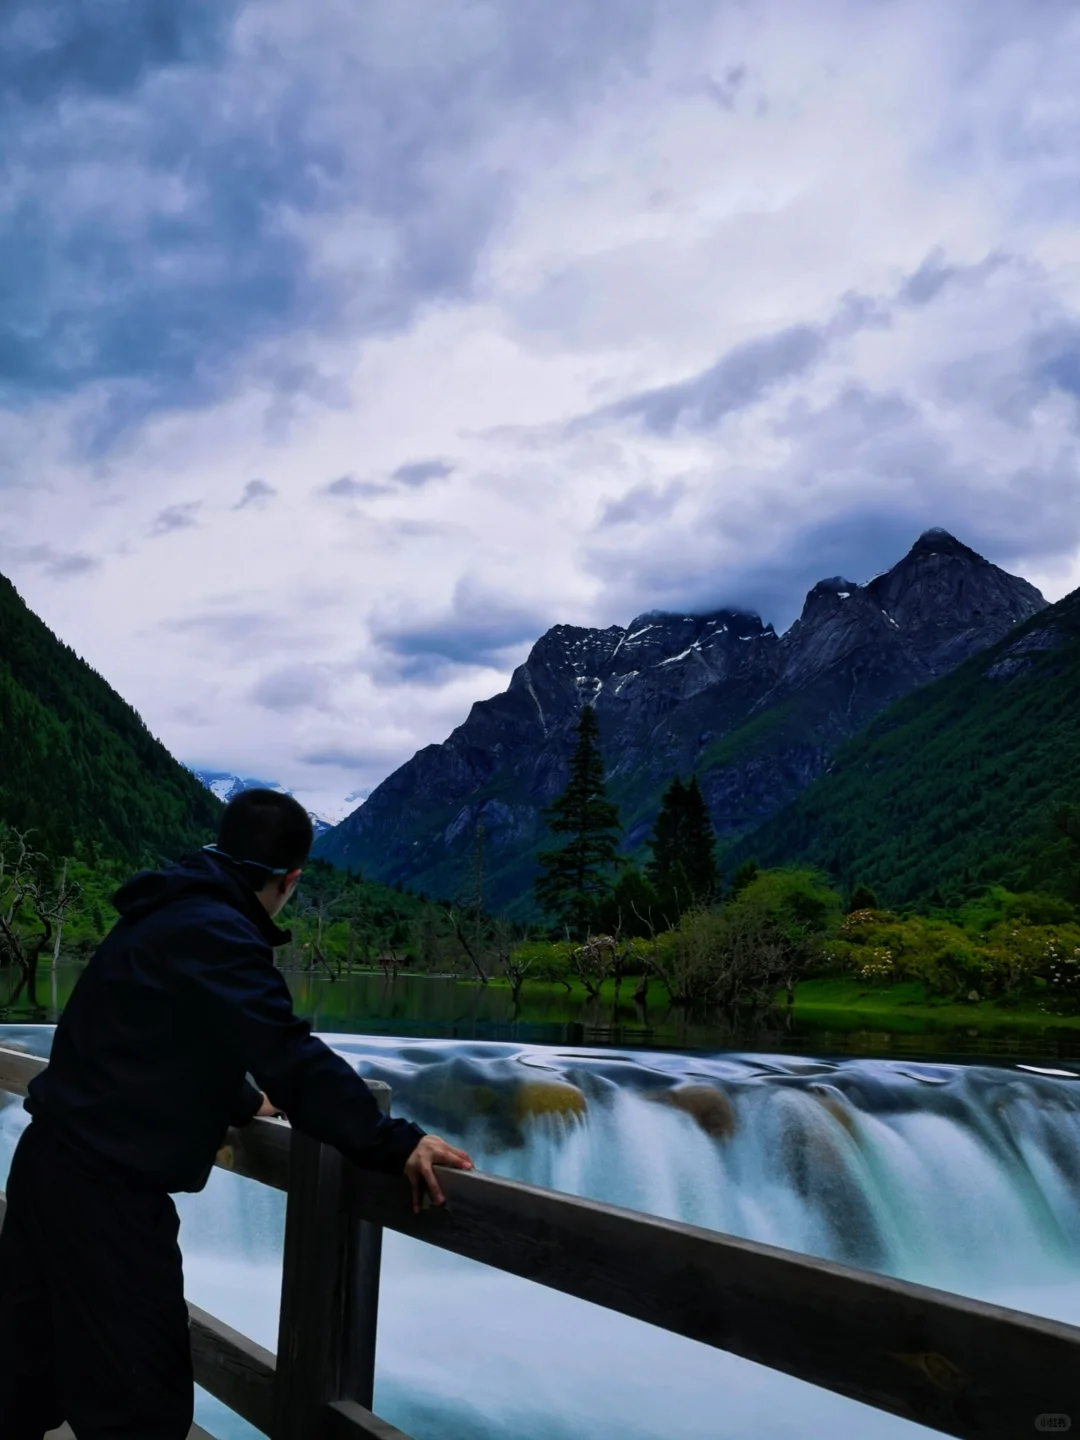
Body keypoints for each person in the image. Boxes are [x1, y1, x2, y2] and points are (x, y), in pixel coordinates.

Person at [0, 788, 472, 1440]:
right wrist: (395, 1141)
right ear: (290, 880)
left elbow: (159, 1032)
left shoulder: (160, 912)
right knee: (142, 1413)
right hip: (105, 1199)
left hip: (43, 1169)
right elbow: (290, 1055)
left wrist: (246, 1100)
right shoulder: (218, 932)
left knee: (24, 1387)